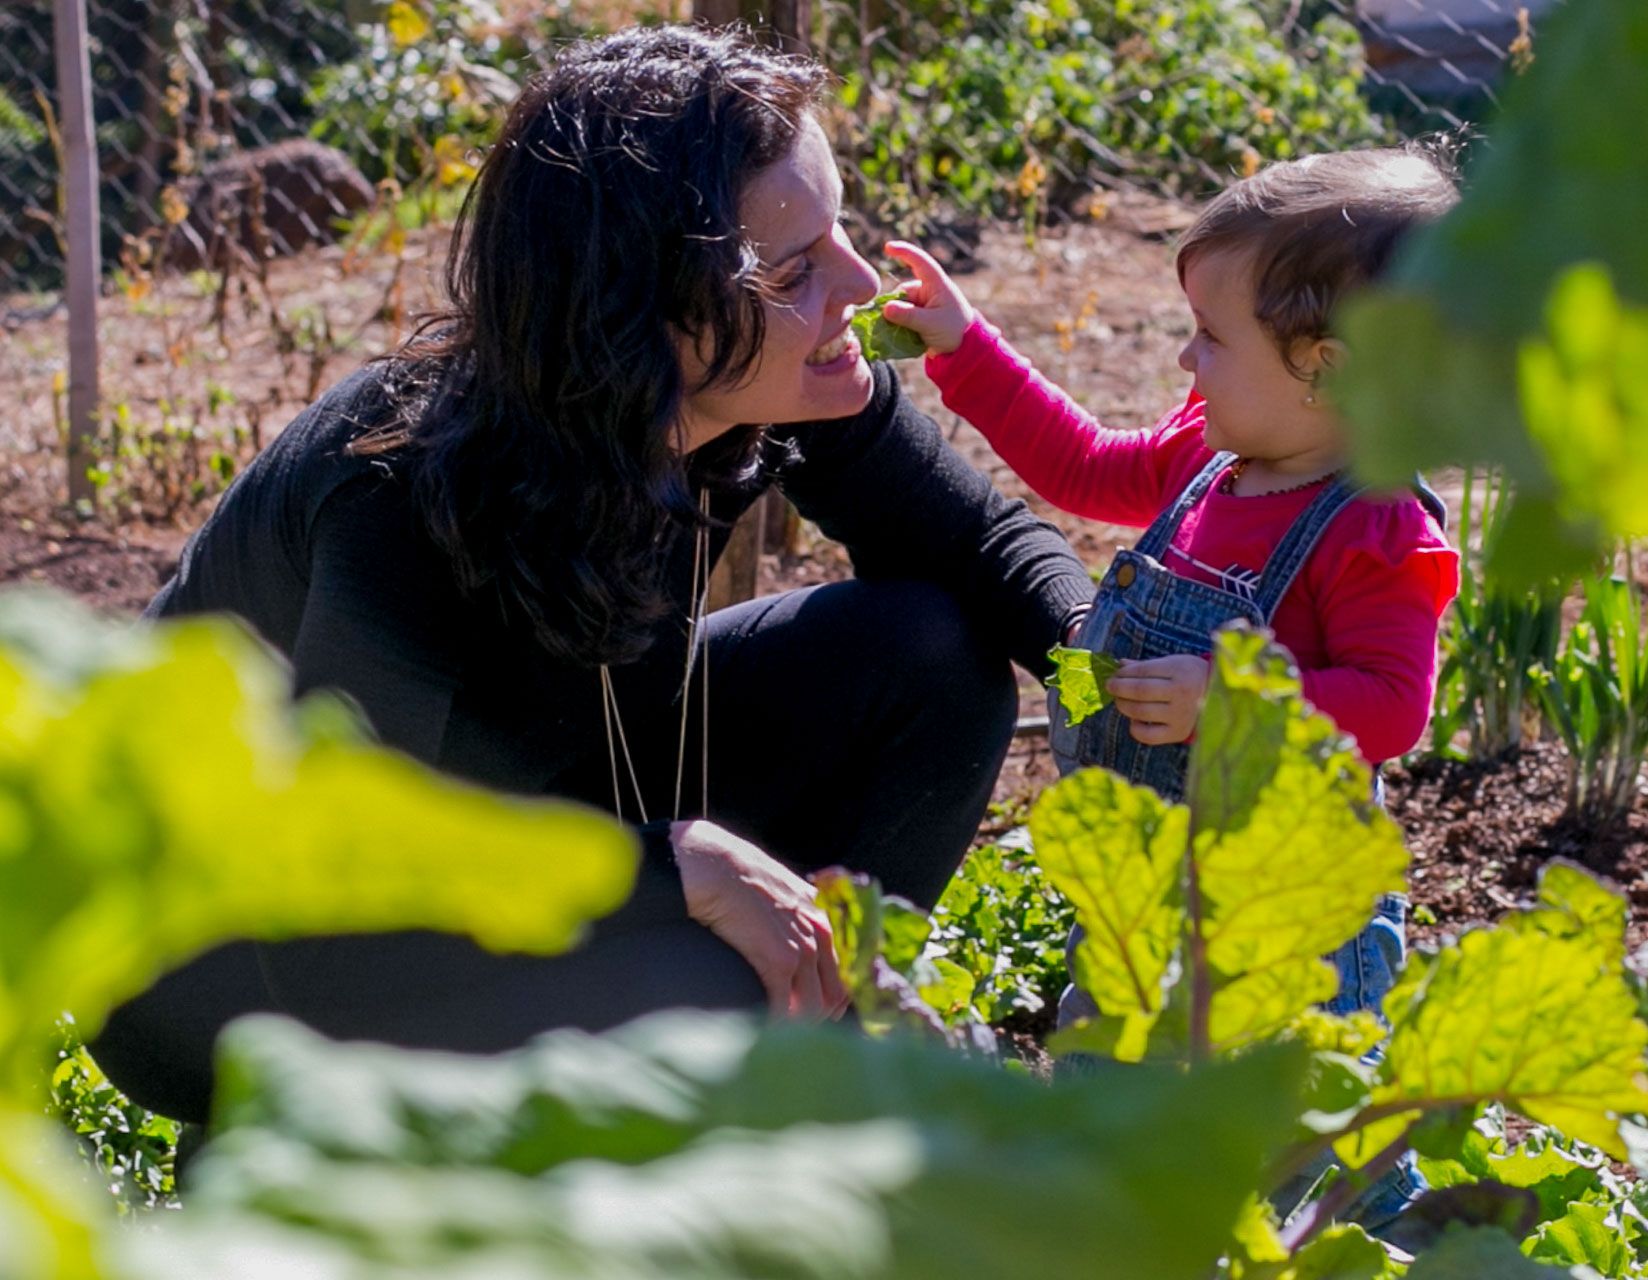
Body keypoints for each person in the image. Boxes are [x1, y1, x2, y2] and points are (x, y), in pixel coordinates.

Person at [89, 24, 1095, 1126]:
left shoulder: (764, 380)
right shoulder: (404, 494)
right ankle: (381, 1154)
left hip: (521, 805)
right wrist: (667, 872)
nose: (854, 283)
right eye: (795, 268)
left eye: (840, 230)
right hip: (233, 962)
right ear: (638, 314)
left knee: (931, 660)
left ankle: (792, 1084)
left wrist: (1126, 675)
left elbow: (987, 550)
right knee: (707, 998)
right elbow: (336, 920)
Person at [880, 146, 1463, 1231]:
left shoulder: (1377, 526)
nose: (1187, 362)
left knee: (1311, 1154)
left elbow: (1391, 704)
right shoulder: (1211, 454)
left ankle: (1390, 1251)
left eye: (1213, 336)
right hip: (1146, 886)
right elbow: (1085, 466)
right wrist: (965, 348)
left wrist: (1238, 696)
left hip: (1289, 912)